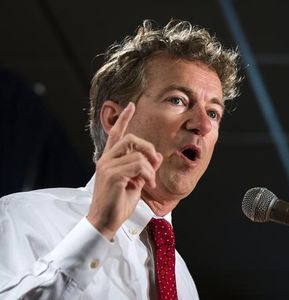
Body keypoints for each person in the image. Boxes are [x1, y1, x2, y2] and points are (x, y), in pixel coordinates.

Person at [0, 19, 240, 299]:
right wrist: (98, 228)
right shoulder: (23, 216)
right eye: (177, 100)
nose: (203, 124)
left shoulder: (182, 279)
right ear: (114, 119)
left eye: (213, 112)